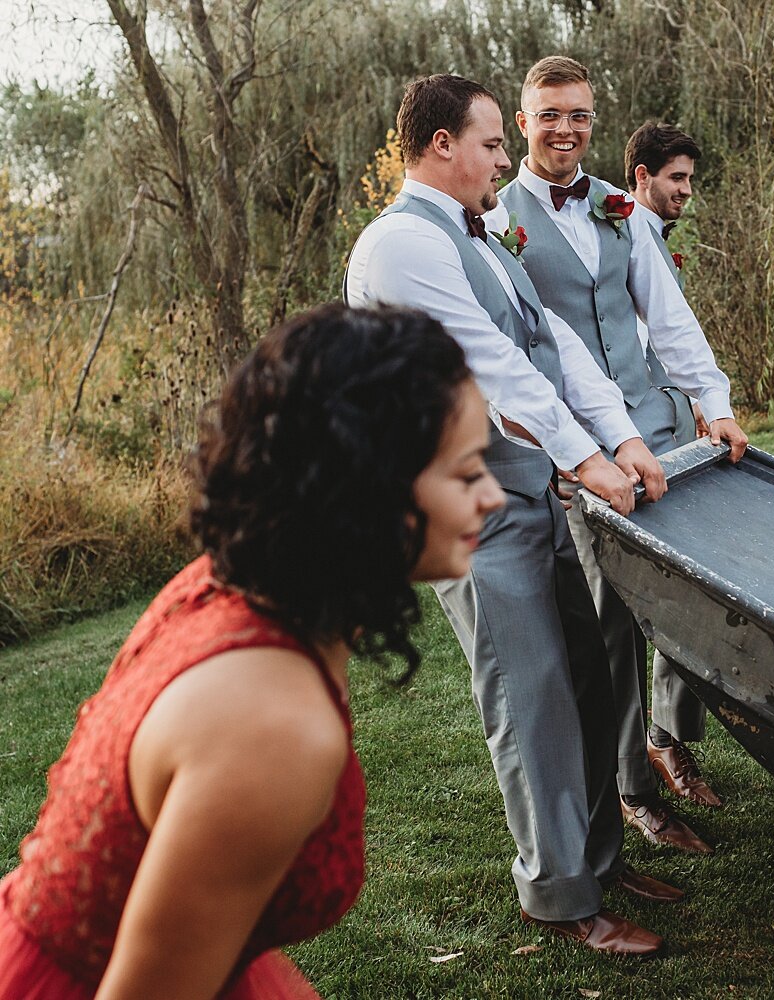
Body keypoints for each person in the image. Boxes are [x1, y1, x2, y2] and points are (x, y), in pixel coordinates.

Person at [0, 305, 504, 998]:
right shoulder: (273, 727)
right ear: (369, 489)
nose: (496, 497)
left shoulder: (225, 581)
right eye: (469, 473)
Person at [346, 73, 676, 956]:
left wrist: (622, 435)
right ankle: (561, 896)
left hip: (533, 485)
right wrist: (590, 462)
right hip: (470, 509)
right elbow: (495, 365)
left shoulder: (482, 233)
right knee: (530, 697)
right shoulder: (400, 248)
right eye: (493, 143)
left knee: (588, 676)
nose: (505, 158)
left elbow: (552, 343)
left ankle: (599, 857)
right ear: (442, 145)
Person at [494, 57, 749, 854]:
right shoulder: (496, 219)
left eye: (579, 115)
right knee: (609, 623)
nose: (565, 129)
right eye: (550, 115)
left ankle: (668, 745)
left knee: (676, 600)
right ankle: (635, 791)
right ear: (521, 119)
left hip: (656, 431)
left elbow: (668, 319)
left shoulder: (618, 208)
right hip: (575, 452)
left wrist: (715, 401)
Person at [618, 119, 725, 807]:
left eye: (691, 180)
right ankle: (648, 750)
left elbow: (669, 335)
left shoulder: (652, 239)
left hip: (671, 429)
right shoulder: (619, 232)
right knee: (642, 597)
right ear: (641, 177)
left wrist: (697, 401)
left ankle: (667, 734)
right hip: (627, 439)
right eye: (676, 179)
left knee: (689, 582)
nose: (686, 192)